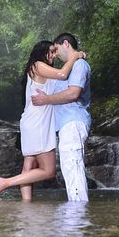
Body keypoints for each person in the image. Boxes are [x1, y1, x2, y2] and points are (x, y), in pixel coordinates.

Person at [0, 40, 85, 200]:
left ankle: (27, 204)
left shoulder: (41, 69)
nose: (54, 55)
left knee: (29, 164)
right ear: (42, 52)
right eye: (52, 51)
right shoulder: (38, 65)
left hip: (32, 121)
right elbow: (63, 74)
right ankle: (6, 182)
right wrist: (74, 56)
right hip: (38, 123)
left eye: (55, 52)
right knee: (48, 171)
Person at [31, 33, 91, 202]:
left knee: (74, 169)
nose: (55, 54)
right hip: (66, 126)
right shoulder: (67, 68)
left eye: (56, 50)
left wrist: (46, 100)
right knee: (70, 170)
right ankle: (76, 217)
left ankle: (77, 218)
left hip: (73, 122)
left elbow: (73, 93)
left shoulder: (79, 65)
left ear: (66, 44)